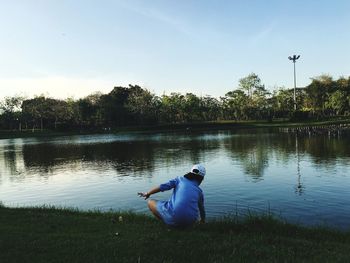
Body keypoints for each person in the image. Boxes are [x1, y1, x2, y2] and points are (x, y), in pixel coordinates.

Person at [138, 164, 206, 227]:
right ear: (201, 179)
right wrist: (202, 221)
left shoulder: (179, 180)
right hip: (190, 223)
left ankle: (167, 222)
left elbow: (162, 187)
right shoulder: (199, 192)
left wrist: (148, 193)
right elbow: (201, 209)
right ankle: (179, 225)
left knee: (150, 202)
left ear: (189, 173)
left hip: (173, 217)